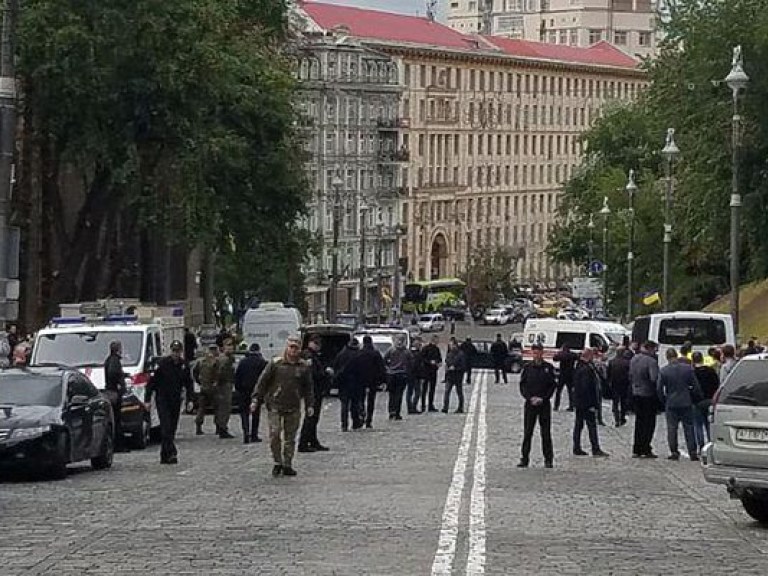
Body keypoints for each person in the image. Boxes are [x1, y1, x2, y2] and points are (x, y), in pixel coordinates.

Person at [251, 336, 314, 477]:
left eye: (296, 348)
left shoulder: (303, 367)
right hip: (275, 405)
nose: (293, 350)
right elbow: (262, 382)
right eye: (291, 347)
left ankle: (287, 464)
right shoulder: (276, 364)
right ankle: (277, 462)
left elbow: (309, 388)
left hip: (293, 406)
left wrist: (310, 404)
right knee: (275, 434)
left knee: (290, 438)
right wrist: (255, 399)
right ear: (287, 347)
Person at [144, 340, 194, 464]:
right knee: (165, 427)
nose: (176, 354)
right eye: (174, 351)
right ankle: (172, 453)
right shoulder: (163, 364)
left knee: (172, 428)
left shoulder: (184, 365)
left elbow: (189, 384)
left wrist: (190, 400)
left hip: (176, 400)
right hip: (163, 399)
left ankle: (164, 454)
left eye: (178, 351)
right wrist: (147, 399)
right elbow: (151, 383)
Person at [657, 348, 702, 461]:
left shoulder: (664, 371)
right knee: (689, 428)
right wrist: (693, 396)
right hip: (686, 401)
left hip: (671, 402)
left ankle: (674, 451)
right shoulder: (688, 369)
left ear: (667, 357)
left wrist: (663, 400)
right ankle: (692, 452)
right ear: (676, 356)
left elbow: (659, 389)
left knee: (672, 428)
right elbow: (696, 386)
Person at [517, 343, 557, 468]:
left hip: (544, 405)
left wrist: (543, 398)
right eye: (534, 352)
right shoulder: (528, 368)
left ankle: (548, 459)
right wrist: (529, 398)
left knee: (545, 433)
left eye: (538, 352)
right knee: (528, 432)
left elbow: (552, 386)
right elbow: (523, 385)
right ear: (532, 353)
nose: (536, 354)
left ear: (542, 353)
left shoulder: (548, 368)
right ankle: (524, 458)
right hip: (530, 405)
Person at [572, 348, 610, 457]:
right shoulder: (586, 369)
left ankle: (577, 447)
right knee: (591, 426)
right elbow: (587, 388)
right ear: (589, 356)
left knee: (578, 425)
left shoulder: (579, 366)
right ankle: (595, 448)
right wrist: (591, 404)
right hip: (586, 403)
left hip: (579, 402)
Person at [298, 335, 332, 450]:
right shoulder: (308, 355)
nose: (318, 347)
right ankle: (303, 443)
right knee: (310, 417)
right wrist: (325, 373)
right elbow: (312, 374)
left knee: (314, 417)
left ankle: (312, 441)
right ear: (311, 343)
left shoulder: (313, 355)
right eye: (317, 344)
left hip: (315, 390)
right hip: (312, 391)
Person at [629, 341, 660, 458]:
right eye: (655, 349)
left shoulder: (634, 359)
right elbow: (654, 378)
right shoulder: (651, 361)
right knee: (649, 423)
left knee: (639, 422)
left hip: (636, 392)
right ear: (650, 349)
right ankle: (646, 448)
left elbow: (630, 375)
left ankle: (636, 448)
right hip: (648, 395)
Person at [235, 343, 268, 444]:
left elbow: (237, 377)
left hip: (243, 391)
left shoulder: (243, 362)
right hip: (256, 392)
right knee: (255, 413)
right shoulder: (262, 363)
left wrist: (238, 389)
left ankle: (246, 433)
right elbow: (265, 378)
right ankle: (254, 435)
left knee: (244, 413)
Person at [353, 335, 388, 426]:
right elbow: (381, 368)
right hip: (373, 380)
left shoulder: (359, 353)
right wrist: (383, 380)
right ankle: (369, 420)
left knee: (360, 398)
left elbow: (355, 367)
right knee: (371, 401)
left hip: (360, 380)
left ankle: (362, 412)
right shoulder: (375, 353)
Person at [692, 351, 720, 452]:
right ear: (702, 359)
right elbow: (717, 385)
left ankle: (701, 446)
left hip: (697, 402)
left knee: (698, 425)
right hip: (709, 400)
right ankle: (710, 444)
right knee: (708, 424)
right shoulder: (710, 371)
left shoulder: (693, 373)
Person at [104, 341, 129, 452]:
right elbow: (113, 373)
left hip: (111, 391)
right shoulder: (114, 361)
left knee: (116, 419)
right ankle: (118, 445)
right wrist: (119, 384)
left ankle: (118, 444)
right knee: (117, 419)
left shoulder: (110, 360)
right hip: (113, 392)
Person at [334, 338, 362, 431]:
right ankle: (355, 422)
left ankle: (344, 425)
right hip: (356, 383)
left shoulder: (341, 354)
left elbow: (336, 366)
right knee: (355, 404)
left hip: (343, 383)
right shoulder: (358, 355)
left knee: (344, 404)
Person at [383, 336, 413, 420]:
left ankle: (391, 412)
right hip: (402, 374)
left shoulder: (391, 350)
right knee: (399, 395)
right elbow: (411, 363)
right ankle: (397, 412)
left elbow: (384, 360)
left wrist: (388, 368)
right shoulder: (407, 352)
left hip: (391, 374)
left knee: (391, 394)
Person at [193, 344, 219, 435]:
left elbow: (194, 372)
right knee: (217, 408)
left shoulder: (200, 361)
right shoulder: (216, 361)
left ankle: (198, 427)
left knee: (201, 408)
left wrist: (198, 382)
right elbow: (218, 374)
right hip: (213, 388)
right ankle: (218, 427)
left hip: (203, 387)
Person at [215, 338, 236, 439]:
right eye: (228, 345)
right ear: (223, 347)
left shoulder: (229, 358)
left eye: (231, 345)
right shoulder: (224, 359)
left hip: (226, 384)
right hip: (224, 385)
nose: (231, 347)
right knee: (225, 408)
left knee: (224, 407)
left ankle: (221, 426)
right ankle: (222, 428)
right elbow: (220, 373)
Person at [607, 348, 633, 427]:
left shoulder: (611, 362)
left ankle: (616, 419)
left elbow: (608, 374)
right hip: (624, 384)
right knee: (623, 402)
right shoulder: (627, 363)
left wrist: (609, 382)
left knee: (615, 403)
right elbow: (630, 374)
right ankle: (622, 418)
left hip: (614, 384)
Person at [442, 339, 467, 413]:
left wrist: (455, 368)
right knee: (447, 392)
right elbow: (447, 362)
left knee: (459, 392)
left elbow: (463, 366)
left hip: (458, 376)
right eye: (450, 345)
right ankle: (445, 407)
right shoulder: (449, 354)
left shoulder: (461, 354)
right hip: (450, 376)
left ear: (455, 345)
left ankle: (460, 407)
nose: (450, 346)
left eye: (452, 345)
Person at [420, 335, 442, 412]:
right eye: (437, 340)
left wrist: (439, 363)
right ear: (433, 340)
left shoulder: (437, 349)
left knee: (432, 389)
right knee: (424, 389)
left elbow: (439, 358)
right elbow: (422, 358)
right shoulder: (426, 348)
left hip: (433, 371)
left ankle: (430, 405)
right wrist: (429, 362)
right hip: (426, 371)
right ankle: (423, 405)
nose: (437, 342)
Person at [553, 345, 578, 411]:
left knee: (558, 391)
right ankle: (571, 406)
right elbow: (578, 357)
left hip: (562, 375)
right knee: (570, 391)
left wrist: (558, 352)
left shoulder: (561, 354)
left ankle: (556, 406)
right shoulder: (572, 354)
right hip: (570, 375)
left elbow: (554, 358)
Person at [408, 337, 427, 414]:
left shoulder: (409, 352)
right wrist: (422, 376)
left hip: (410, 375)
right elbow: (419, 366)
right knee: (417, 392)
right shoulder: (418, 354)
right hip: (416, 376)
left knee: (410, 392)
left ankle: (410, 407)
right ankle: (413, 407)